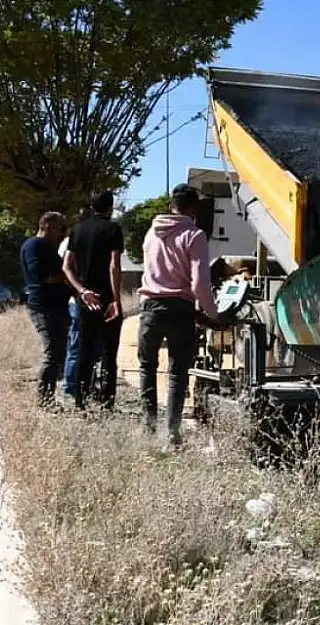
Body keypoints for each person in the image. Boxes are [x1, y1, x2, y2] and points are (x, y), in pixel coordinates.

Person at [136, 183, 222, 448]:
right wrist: (214, 314)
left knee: (147, 367)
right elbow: (199, 284)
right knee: (177, 372)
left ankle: (147, 426)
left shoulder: (151, 234)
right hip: (180, 310)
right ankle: (172, 433)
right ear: (193, 208)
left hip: (150, 307)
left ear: (170, 205)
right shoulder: (194, 235)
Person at [62, 190, 125, 410]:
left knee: (84, 352)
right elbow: (114, 265)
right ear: (110, 207)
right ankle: (106, 403)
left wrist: (82, 291)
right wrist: (116, 299)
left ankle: (80, 402)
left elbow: (66, 266)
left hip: (85, 300)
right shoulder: (113, 229)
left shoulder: (77, 230)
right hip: (107, 299)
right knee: (109, 352)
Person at [20, 211, 72, 407]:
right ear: (47, 226)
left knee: (58, 352)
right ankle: (44, 400)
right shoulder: (35, 246)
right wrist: (67, 279)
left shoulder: (47, 247)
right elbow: (42, 276)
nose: (62, 233)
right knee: (52, 354)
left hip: (55, 306)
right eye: (60, 228)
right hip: (44, 306)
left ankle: (49, 397)